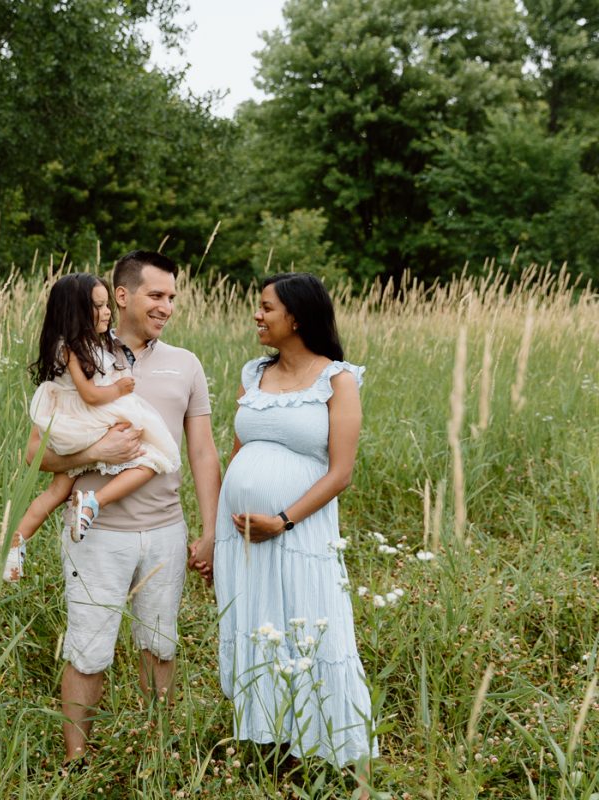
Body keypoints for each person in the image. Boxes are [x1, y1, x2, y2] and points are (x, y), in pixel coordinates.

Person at [24, 251, 220, 764]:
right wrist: (94, 453)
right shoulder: (82, 357)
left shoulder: (187, 364)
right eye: (157, 295)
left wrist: (211, 530)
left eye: (172, 298)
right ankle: (76, 760)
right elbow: (37, 454)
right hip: (97, 535)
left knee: (160, 646)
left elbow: (202, 451)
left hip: (165, 532)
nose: (167, 307)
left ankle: (156, 754)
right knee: (88, 649)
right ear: (123, 296)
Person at [212, 273, 377, 786]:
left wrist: (282, 520)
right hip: (242, 539)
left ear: (298, 317)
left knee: (309, 630)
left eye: (267, 308)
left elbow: (341, 472)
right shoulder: (253, 375)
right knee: (258, 632)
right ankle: (270, 749)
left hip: (299, 536)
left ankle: (331, 752)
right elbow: (237, 456)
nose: (257, 316)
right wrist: (215, 536)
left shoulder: (337, 379)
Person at [2, 273, 181, 581]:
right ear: (76, 313)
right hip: (90, 417)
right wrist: (120, 389)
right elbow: (89, 394)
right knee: (155, 456)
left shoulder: (80, 345)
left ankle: (15, 545)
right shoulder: (73, 348)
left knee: (58, 490)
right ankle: (93, 502)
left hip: (71, 424)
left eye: (106, 304)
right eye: (98, 306)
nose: (107, 311)